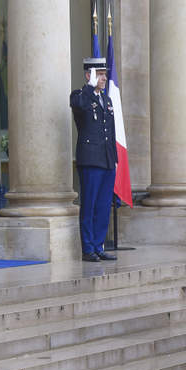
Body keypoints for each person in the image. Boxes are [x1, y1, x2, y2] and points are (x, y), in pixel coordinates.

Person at [70, 57, 117, 263]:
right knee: (88, 205)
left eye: (105, 74)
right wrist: (89, 88)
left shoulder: (106, 100)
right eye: (99, 74)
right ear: (88, 75)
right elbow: (77, 106)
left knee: (104, 206)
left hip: (106, 160)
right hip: (90, 160)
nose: (104, 78)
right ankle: (88, 248)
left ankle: (99, 245)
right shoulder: (80, 96)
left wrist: (114, 159)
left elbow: (111, 132)